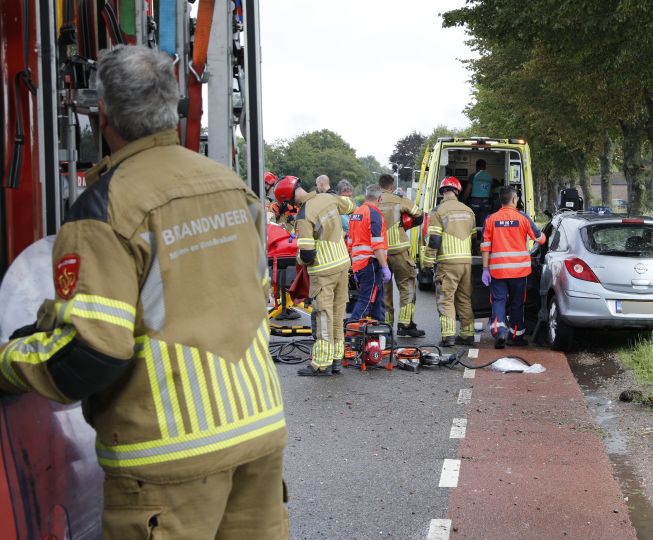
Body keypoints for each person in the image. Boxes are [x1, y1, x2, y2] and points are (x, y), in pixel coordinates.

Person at [0, 46, 287, 538]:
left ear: (102, 113)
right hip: (258, 432)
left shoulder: (106, 207)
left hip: (169, 459)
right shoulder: (233, 187)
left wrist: (9, 362)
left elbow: (91, 354)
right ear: (171, 107)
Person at [275, 177, 356, 377]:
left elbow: (308, 254)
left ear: (289, 199)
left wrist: (299, 259)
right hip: (343, 264)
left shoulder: (303, 215)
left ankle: (321, 364)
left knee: (323, 316)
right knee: (338, 314)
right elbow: (351, 206)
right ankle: (337, 360)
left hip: (324, 270)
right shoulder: (328, 198)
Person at [482, 186, 546, 349]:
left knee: (498, 301)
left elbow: (485, 246)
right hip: (519, 271)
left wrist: (485, 269)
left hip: (498, 271)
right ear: (513, 200)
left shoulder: (491, 219)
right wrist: (545, 234)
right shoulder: (523, 218)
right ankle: (515, 336)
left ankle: (499, 331)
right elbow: (540, 240)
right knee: (517, 303)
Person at [423, 177, 477, 347]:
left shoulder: (438, 211)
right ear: (457, 191)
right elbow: (474, 238)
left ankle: (448, 337)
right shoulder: (469, 211)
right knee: (464, 298)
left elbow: (434, 241)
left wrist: (427, 263)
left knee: (446, 299)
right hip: (466, 263)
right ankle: (468, 335)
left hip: (447, 263)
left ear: (442, 192)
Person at [377, 174, 426, 337]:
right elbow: (419, 215)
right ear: (391, 186)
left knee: (385, 290)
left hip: (380, 253)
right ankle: (405, 325)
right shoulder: (399, 200)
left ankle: (386, 325)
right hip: (399, 251)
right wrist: (405, 226)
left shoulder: (374, 202)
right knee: (407, 286)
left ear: (380, 186)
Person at [348, 185, 391, 322]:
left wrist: (354, 266)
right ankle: (350, 334)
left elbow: (350, 242)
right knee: (366, 301)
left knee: (377, 301)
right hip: (371, 264)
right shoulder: (374, 214)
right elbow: (377, 245)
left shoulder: (356, 213)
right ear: (379, 198)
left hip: (359, 264)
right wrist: (385, 267)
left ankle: (381, 334)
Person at [464, 159, 493, 223]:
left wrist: (464, 200)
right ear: (485, 166)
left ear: (476, 166)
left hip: (475, 202)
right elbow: (490, 192)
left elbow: (468, 190)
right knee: (484, 223)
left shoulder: (473, 176)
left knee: (473, 223)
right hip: (486, 203)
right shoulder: (490, 177)